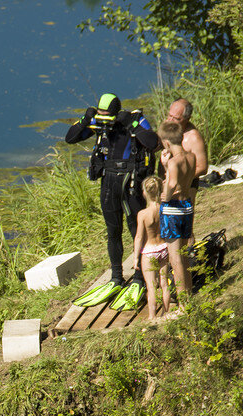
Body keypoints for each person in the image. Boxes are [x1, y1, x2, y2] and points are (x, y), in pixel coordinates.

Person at [65, 93, 160, 309]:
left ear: (116, 112)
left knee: (137, 230)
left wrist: (132, 124)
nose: (104, 118)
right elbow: (70, 138)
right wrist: (85, 119)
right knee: (112, 230)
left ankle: (139, 277)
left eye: (107, 115)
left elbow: (153, 142)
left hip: (131, 183)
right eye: (101, 114)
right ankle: (116, 277)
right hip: (108, 181)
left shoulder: (133, 120)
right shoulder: (99, 124)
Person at [158, 120, 197, 303]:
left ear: (166, 142)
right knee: (183, 256)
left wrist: (164, 196)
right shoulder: (191, 157)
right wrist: (166, 167)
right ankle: (188, 298)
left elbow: (172, 184)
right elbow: (180, 179)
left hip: (173, 209)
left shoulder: (174, 162)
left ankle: (183, 305)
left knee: (175, 260)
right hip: (186, 207)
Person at [161, 98, 208, 230]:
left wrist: (182, 178)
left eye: (176, 118)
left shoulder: (193, 137)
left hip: (186, 184)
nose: (170, 120)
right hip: (168, 182)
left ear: (186, 119)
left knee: (184, 224)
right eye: (169, 115)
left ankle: (188, 249)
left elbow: (203, 167)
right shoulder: (168, 127)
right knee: (167, 224)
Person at [133, 176, 171, 320]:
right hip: (163, 247)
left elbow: (139, 237)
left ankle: (151, 317)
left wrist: (136, 257)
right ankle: (166, 313)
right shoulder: (164, 209)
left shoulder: (143, 214)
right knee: (164, 284)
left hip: (149, 251)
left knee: (151, 286)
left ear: (145, 192)